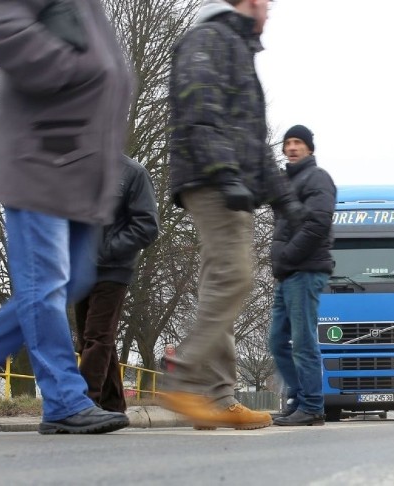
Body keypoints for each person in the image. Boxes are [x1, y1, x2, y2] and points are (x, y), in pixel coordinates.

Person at [0, 0, 134, 434]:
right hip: (38, 159)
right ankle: (65, 399)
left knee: (72, 282)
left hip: (79, 174)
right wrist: (68, 71)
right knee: (44, 284)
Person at [162, 0, 308, 430]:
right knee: (235, 276)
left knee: (219, 287)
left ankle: (218, 399)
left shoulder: (235, 46)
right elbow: (198, 108)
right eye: (264, 3)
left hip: (228, 180)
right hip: (213, 179)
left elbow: (253, 140)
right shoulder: (210, 38)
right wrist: (224, 174)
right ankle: (184, 377)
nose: (269, 11)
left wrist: (285, 200)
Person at [74, 155, 159, 413]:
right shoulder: (78, 168)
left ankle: (84, 403)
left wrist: (107, 250)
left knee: (97, 336)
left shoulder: (133, 172)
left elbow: (147, 225)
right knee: (92, 339)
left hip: (114, 268)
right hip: (80, 267)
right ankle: (113, 404)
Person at [268, 125, 336, 426]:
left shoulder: (318, 178)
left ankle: (311, 406)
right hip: (287, 274)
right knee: (277, 341)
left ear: (309, 148)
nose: (292, 147)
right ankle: (298, 398)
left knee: (304, 341)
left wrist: (287, 256)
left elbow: (317, 224)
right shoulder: (286, 182)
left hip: (305, 270)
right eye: (288, 143)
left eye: (298, 142)